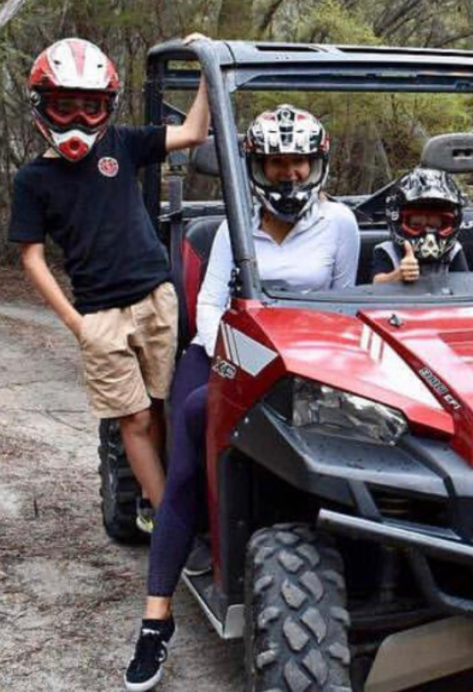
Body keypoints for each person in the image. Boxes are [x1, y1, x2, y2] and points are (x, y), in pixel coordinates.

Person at [124, 104, 360, 692]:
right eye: (277, 163)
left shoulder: (341, 225)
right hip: (228, 345)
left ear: (316, 165)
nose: (289, 175)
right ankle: (156, 620)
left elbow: (344, 305)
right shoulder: (235, 223)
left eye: (299, 163)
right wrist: (229, 351)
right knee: (194, 421)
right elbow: (207, 302)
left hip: (308, 359)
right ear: (256, 167)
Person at [8, 37, 209, 522]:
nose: (78, 118)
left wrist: (206, 66)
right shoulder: (33, 180)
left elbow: (194, 133)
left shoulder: (121, 144)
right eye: (66, 105)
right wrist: (77, 324)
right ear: (43, 106)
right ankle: (168, 522)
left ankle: (151, 494)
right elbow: (31, 257)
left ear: (107, 107)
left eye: (91, 106)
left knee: (161, 407)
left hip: (156, 298)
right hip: (99, 314)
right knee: (133, 417)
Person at [373, 167, 469, 283]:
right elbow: (376, 283)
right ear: (397, 220)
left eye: (435, 225)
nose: (428, 233)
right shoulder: (387, 250)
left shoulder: (454, 251)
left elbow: (464, 286)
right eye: (417, 225)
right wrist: (398, 275)